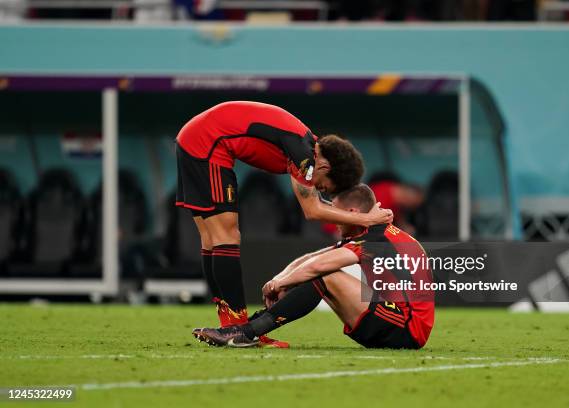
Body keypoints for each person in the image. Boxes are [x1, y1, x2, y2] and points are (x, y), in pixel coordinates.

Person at [176, 101, 393, 348]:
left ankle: (231, 326)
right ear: (325, 167)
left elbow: (316, 204)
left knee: (211, 238)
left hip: (194, 138)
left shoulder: (305, 147)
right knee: (226, 236)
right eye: (324, 186)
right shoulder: (307, 159)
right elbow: (312, 210)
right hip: (209, 144)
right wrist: (367, 219)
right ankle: (238, 330)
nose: (319, 190)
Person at [195, 184, 434, 349]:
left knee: (325, 276)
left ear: (352, 213)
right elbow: (311, 257)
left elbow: (319, 266)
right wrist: (281, 279)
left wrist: (281, 283)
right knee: (316, 273)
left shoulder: (375, 238)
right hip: (394, 321)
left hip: (406, 328)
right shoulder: (371, 232)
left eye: (335, 213)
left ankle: (246, 332)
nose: (332, 220)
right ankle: (247, 329)